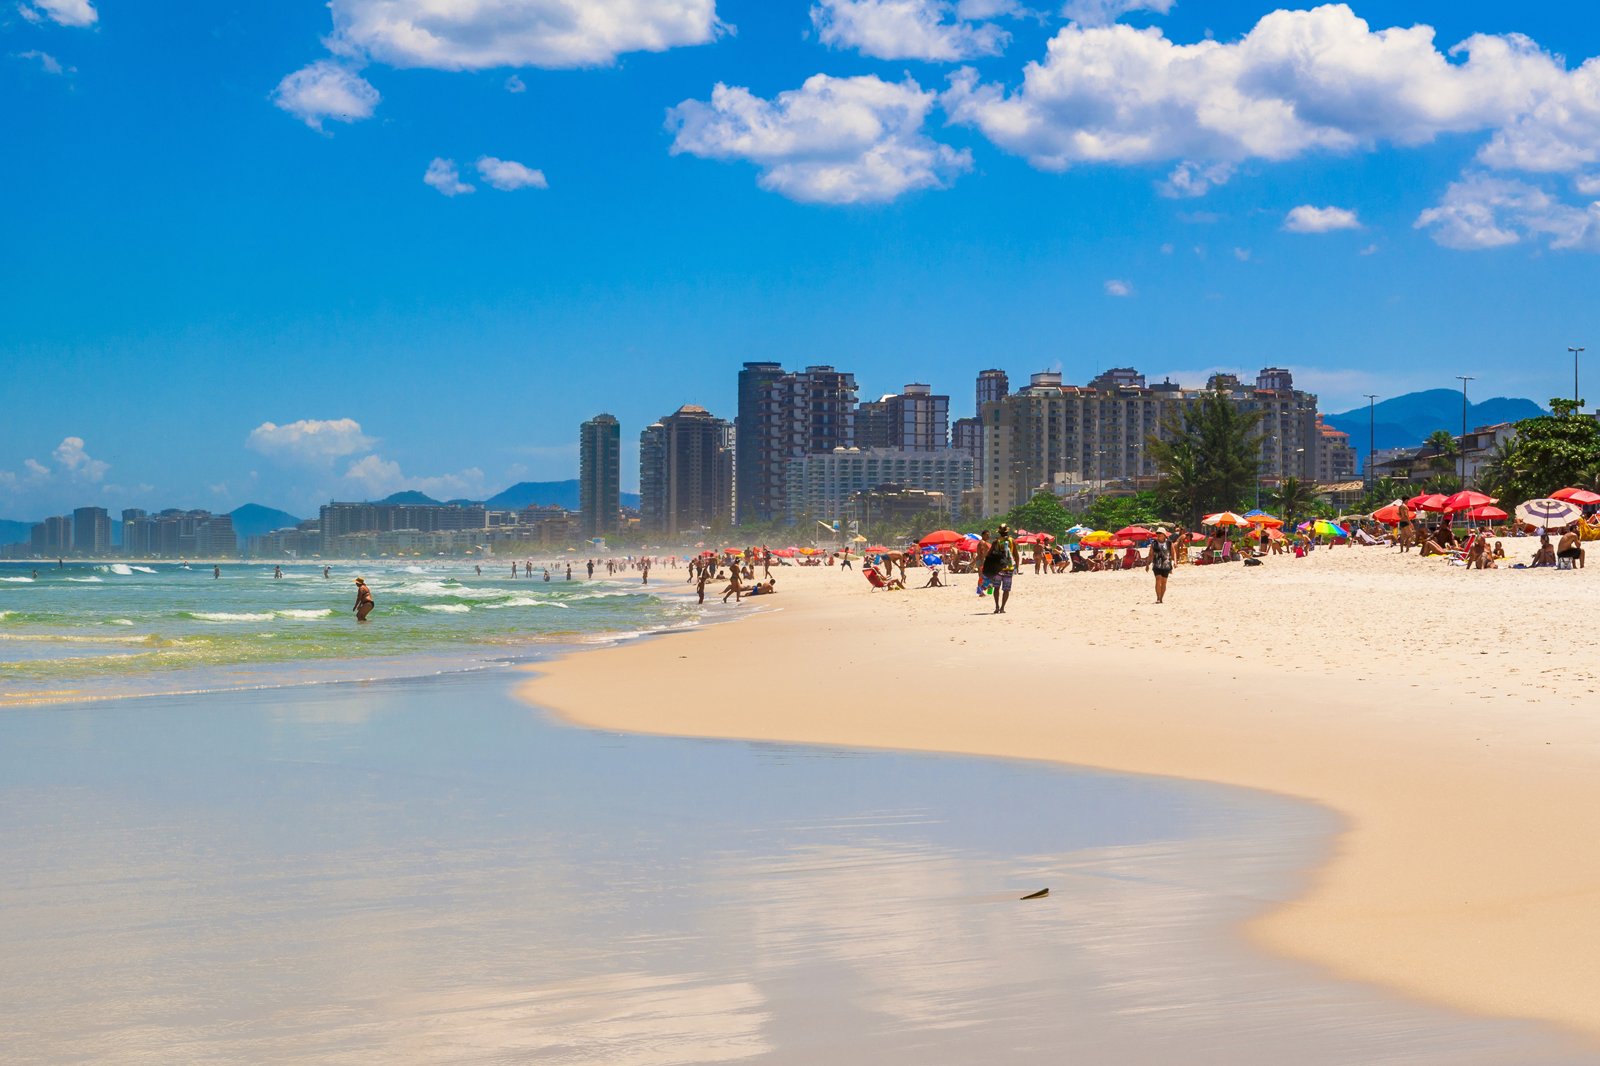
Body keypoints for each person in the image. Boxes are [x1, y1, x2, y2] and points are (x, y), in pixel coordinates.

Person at [986, 524, 1017, 614]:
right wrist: (1017, 567)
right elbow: (1016, 555)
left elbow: (989, 554)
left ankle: (997, 607)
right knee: (1006, 589)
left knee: (996, 588)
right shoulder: (1012, 541)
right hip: (1009, 568)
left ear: (999, 532)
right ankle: (1002, 608)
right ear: (1007, 531)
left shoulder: (996, 542)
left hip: (998, 568)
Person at [1150, 533, 1173, 603]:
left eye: (1160, 533)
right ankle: (1158, 597)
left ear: (1164, 535)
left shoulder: (1169, 543)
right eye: (1157, 534)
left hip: (1166, 565)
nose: (1158, 535)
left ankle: (1161, 598)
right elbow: (1150, 553)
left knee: (1164, 582)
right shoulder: (1154, 543)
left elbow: (1173, 552)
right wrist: (1147, 564)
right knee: (1158, 579)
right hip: (1156, 564)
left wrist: (1175, 562)